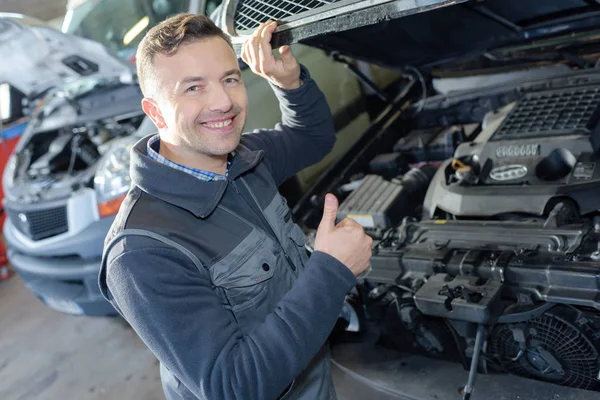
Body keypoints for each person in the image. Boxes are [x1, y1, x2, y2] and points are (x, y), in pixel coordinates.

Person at [98, 13, 373, 400]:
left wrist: (288, 82)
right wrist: (332, 271)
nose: (223, 101)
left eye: (230, 79)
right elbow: (233, 386)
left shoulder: (246, 159)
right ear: (155, 112)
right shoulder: (141, 252)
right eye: (193, 88)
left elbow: (312, 138)